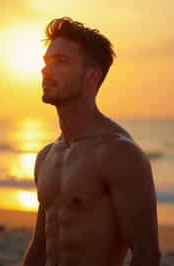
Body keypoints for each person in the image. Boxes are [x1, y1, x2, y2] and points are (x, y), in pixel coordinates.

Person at [23, 17, 161, 266]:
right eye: (46, 62)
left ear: (91, 77)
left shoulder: (117, 153)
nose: (46, 70)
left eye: (61, 61)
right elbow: (40, 245)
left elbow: (147, 253)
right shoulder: (46, 156)